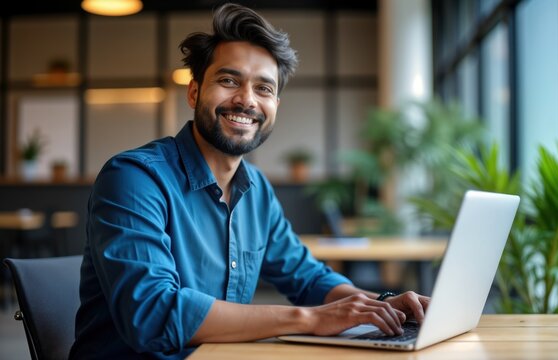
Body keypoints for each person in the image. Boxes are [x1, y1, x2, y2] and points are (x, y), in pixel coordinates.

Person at [69, 3, 429, 359]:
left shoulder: (256, 189)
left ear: (275, 105)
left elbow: (306, 277)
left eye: (264, 88)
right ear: (194, 92)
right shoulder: (134, 178)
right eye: (228, 81)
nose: (246, 100)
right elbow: (153, 314)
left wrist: (377, 304)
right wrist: (309, 319)